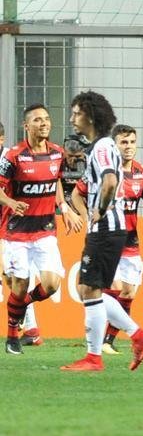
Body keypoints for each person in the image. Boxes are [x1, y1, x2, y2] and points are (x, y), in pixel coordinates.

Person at [60, 91, 143, 372]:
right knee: (88, 288)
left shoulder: (102, 146)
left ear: (89, 115)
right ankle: (138, 335)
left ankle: (94, 357)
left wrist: (100, 210)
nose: (72, 118)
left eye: (76, 112)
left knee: (89, 289)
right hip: (111, 229)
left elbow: (110, 180)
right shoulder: (103, 146)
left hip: (105, 228)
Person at [0, 104, 83, 355]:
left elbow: (55, 181)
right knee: (19, 283)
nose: (44, 123)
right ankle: (13, 334)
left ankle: (21, 307)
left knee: (51, 284)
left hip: (46, 229)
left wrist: (65, 208)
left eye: (47, 119)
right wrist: (11, 202)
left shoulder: (57, 154)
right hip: (16, 232)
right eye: (37, 120)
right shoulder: (14, 156)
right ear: (27, 126)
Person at [95, 125, 143, 354]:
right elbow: (81, 192)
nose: (128, 147)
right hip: (109, 238)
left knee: (129, 293)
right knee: (115, 290)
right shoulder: (106, 173)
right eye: (123, 142)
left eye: (131, 142)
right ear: (114, 145)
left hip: (131, 241)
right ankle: (97, 334)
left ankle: (107, 340)